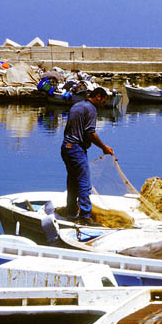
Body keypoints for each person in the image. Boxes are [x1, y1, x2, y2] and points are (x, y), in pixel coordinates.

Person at [61, 87, 113, 225]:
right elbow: (90, 132)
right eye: (102, 101)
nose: (102, 105)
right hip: (76, 149)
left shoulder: (77, 105)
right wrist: (104, 147)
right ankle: (85, 216)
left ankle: (71, 212)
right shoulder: (91, 109)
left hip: (66, 147)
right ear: (97, 97)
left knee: (72, 181)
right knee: (84, 183)